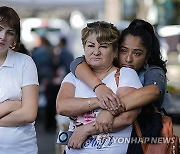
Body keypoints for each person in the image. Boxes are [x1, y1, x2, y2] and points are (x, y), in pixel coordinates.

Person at [69, 19, 170, 153]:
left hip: (143, 140)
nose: (128, 59)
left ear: (147, 56)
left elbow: (153, 91)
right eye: (124, 51)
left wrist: (110, 110)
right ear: (116, 50)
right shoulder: (113, 67)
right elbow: (76, 63)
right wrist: (99, 87)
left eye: (137, 53)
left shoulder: (152, 71)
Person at [56, 21, 143, 154]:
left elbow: (126, 118)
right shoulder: (72, 77)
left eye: (103, 46)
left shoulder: (125, 74)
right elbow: (62, 106)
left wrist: (86, 130)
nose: (96, 52)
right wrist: (100, 101)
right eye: (91, 45)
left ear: (114, 51)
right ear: (84, 49)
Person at [0, 6, 39, 153]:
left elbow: (29, 114)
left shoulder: (25, 62)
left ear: (15, 38)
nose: (3, 36)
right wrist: (10, 106)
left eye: (10, 32)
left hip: (20, 149)